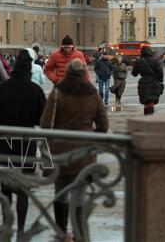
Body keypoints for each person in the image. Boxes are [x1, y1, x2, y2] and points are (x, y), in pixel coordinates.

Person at [40, 58, 108, 242]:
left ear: (68, 72)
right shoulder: (92, 93)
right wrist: (92, 135)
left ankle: (61, 231)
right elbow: (104, 124)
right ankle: (78, 232)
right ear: (84, 72)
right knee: (80, 193)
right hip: (85, 152)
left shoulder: (58, 91)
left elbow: (46, 123)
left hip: (60, 151)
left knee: (60, 191)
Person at [0, 50, 46, 238]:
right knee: (23, 188)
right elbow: (42, 119)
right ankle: (21, 228)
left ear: (13, 69)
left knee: (6, 187)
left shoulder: (2, 89)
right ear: (29, 70)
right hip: (27, 143)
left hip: (5, 143)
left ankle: (6, 223)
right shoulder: (35, 90)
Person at [131, 46, 164, 115]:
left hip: (143, 84)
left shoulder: (139, 61)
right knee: (151, 102)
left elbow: (134, 74)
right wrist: (160, 80)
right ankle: (149, 119)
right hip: (154, 83)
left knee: (146, 103)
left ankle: (147, 119)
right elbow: (160, 72)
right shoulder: (156, 61)